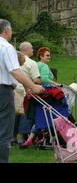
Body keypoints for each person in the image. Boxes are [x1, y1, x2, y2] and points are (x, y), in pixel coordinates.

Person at [0, 19, 44, 163]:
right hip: (3, 92)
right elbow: (15, 71)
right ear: (7, 31)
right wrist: (33, 86)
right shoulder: (6, 47)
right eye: (11, 30)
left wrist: (25, 86)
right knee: (3, 133)